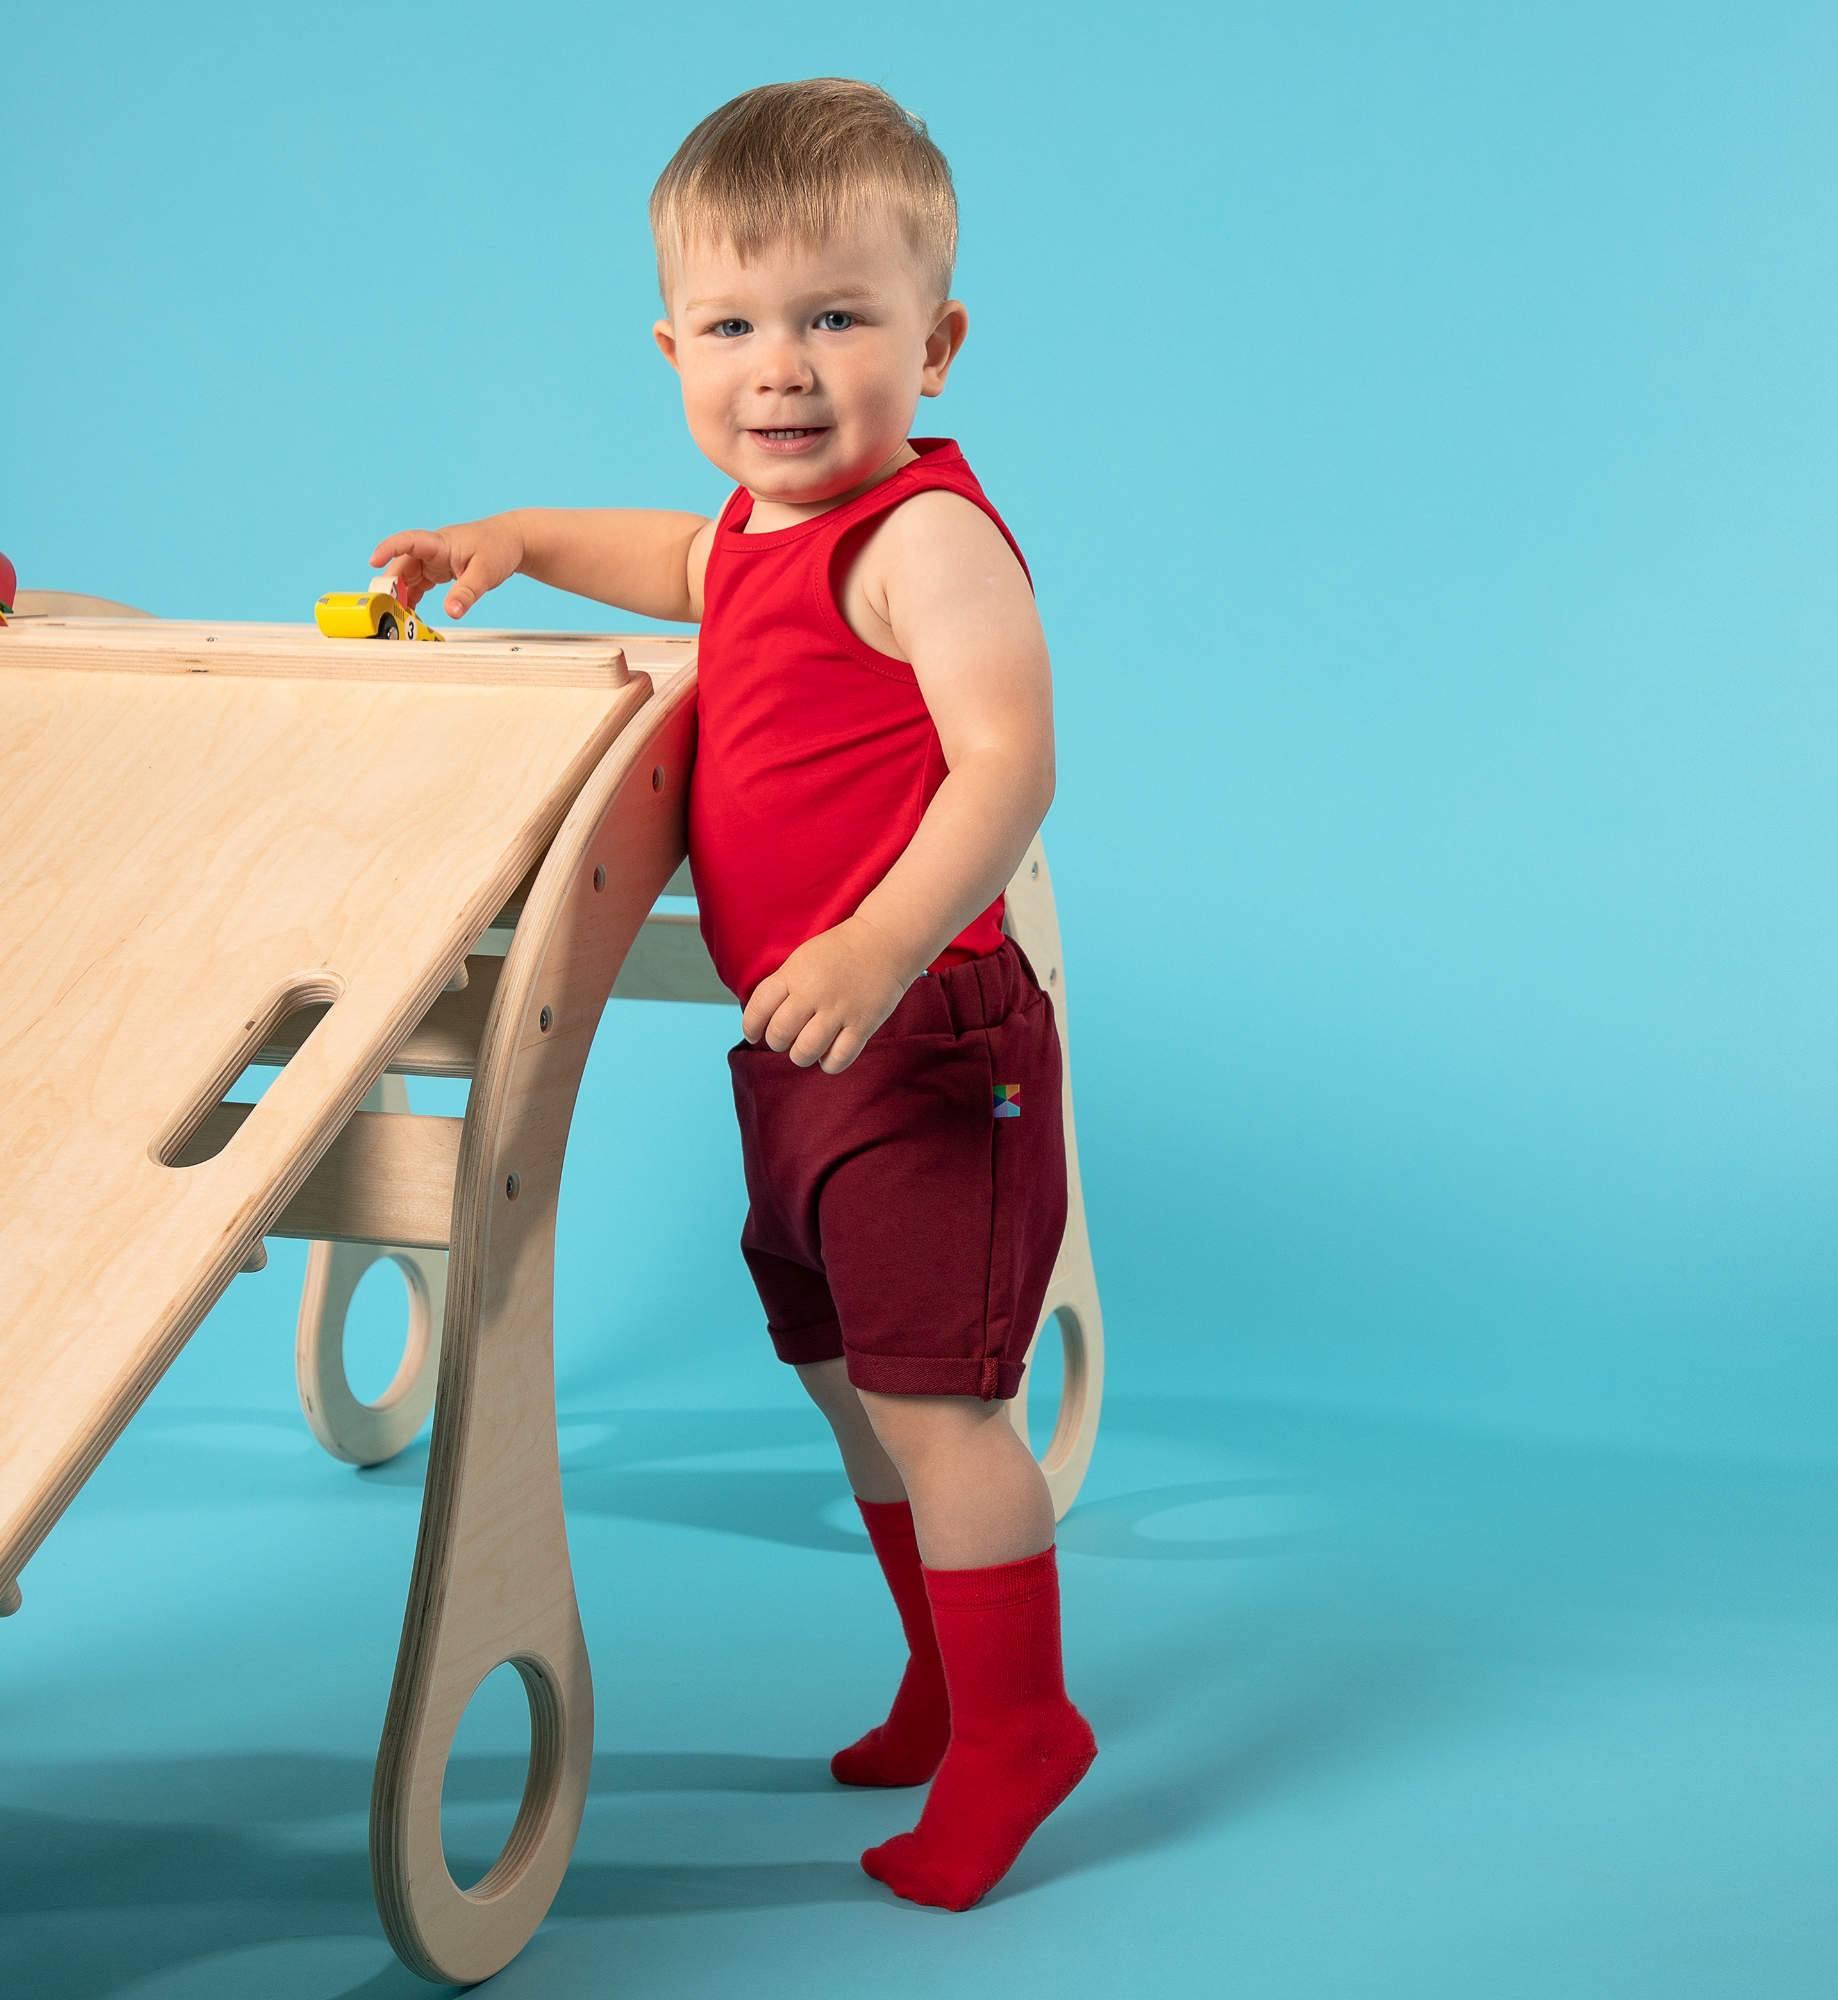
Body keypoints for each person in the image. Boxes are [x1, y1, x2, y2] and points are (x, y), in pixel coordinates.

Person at [368, 76, 1095, 1913]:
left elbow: (1006, 765)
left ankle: (1025, 1727)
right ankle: (947, 1670)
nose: (780, 369)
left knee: (944, 1407)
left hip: (925, 1038)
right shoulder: (757, 526)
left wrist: (880, 942)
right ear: (676, 343)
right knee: (852, 1386)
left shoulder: (921, 532)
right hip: (806, 1051)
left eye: (837, 321)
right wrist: (518, 537)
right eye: (734, 326)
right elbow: (680, 558)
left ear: (934, 347)